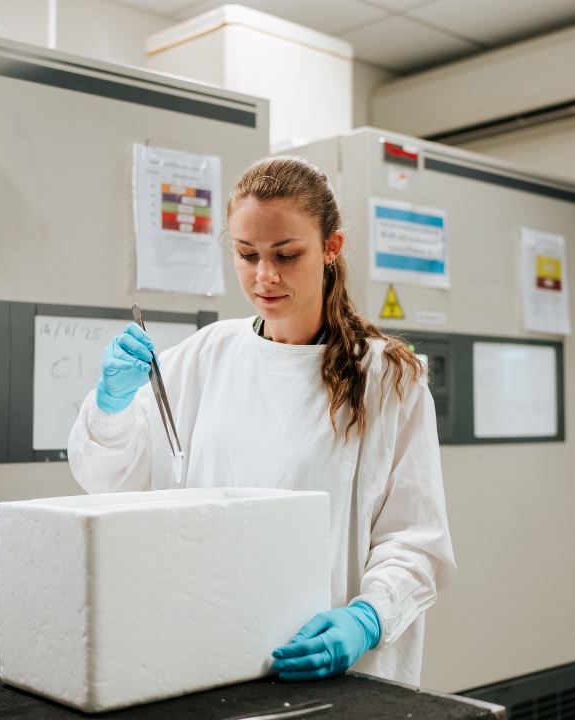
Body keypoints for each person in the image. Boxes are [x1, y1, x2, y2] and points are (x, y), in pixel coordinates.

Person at [68, 156, 455, 687]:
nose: (264, 276)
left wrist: (368, 619)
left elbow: (415, 539)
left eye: (286, 254)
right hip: (208, 649)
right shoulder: (206, 355)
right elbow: (116, 485)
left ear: (331, 248)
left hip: (335, 667)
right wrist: (111, 407)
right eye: (247, 254)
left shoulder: (387, 377)